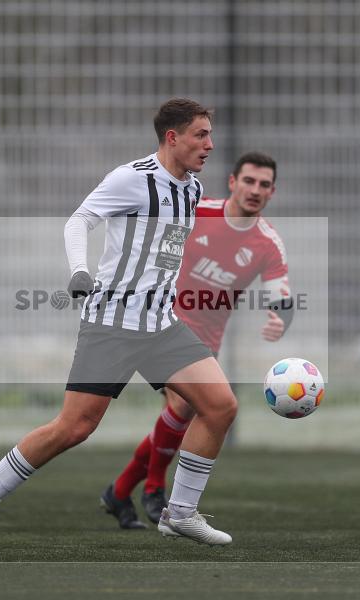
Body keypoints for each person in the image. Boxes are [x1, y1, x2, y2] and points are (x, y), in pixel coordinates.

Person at [0, 98, 236, 555]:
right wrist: (79, 270)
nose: (210, 143)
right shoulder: (132, 178)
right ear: (173, 137)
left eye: (210, 134)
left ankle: (181, 513)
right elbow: (80, 221)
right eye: (201, 134)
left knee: (221, 406)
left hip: (161, 325)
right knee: (74, 427)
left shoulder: (191, 188)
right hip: (112, 323)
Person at [99, 152, 293, 529]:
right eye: (249, 181)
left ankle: (119, 492)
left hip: (207, 339)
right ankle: (154, 489)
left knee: (180, 413)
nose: (255, 190)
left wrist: (279, 318)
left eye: (264, 185)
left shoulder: (268, 243)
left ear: (272, 192)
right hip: (161, 321)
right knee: (184, 407)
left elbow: (281, 296)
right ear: (233, 182)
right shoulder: (196, 211)